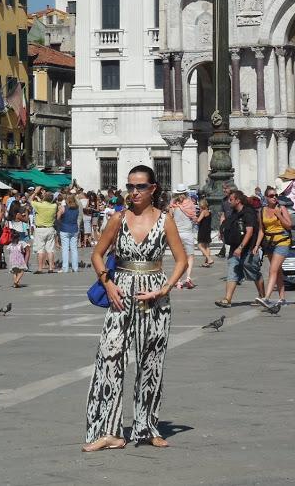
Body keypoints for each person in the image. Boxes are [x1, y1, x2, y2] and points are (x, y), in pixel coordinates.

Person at [84, 164, 187, 452]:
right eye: (130, 186)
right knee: (110, 356)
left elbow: (181, 259)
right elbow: (97, 254)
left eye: (140, 186)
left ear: (153, 189)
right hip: (120, 293)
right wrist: (108, 284)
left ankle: (147, 426)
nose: (134, 192)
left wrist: (164, 289)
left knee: (150, 362)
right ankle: (109, 431)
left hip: (154, 295)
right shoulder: (118, 218)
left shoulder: (165, 220)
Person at [215, 190, 265, 308]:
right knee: (232, 272)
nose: (229, 201)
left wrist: (241, 247)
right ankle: (227, 299)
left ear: (238, 200)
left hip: (248, 249)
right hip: (235, 248)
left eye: (231, 199)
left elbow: (250, 231)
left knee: (254, 273)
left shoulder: (248, 213)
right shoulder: (234, 213)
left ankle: (263, 297)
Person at [255, 186, 292, 308]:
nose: (274, 198)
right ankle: (282, 298)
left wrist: (279, 215)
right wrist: (257, 245)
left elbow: (289, 226)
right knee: (278, 271)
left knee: (273, 270)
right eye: (271, 196)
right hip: (269, 243)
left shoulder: (281, 208)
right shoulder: (262, 211)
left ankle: (266, 298)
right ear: (266, 198)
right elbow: (261, 230)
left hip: (282, 241)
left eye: (275, 195)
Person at [169, 185, 196, 289]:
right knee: (190, 256)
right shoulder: (190, 203)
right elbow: (194, 218)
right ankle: (188, 278)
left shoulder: (173, 204)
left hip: (177, 233)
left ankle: (178, 281)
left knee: (179, 258)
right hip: (188, 233)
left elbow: (170, 218)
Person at [30, 188, 58, 274]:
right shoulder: (54, 206)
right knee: (50, 249)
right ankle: (50, 268)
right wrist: (44, 196)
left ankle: (40, 268)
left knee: (40, 249)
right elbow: (52, 201)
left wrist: (35, 192)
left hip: (40, 229)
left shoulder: (39, 205)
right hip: (50, 228)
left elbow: (30, 200)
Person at [57, 193, 81, 273]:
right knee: (74, 249)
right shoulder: (77, 208)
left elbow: (58, 217)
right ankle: (75, 267)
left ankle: (65, 267)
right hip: (74, 229)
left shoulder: (63, 208)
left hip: (64, 228)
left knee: (65, 249)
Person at [217, 182, 234, 258]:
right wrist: (220, 230)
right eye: (223, 188)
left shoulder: (237, 199)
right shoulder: (224, 200)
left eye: (226, 188)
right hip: (227, 225)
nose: (224, 190)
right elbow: (223, 216)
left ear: (231, 188)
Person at [197, 197, 213, 267]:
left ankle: (209, 259)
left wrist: (195, 218)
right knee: (207, 246)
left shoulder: (203, 212)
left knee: (200, 245)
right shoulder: (209, 211)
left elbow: (198, 220)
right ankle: (207, 262)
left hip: (203, 230)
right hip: (208, 230)